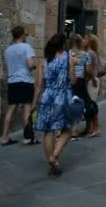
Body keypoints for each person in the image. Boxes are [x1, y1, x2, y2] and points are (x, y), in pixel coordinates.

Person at [34, 33, 77, 176]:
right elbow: (73, 81)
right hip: (62, 97)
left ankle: (53, 166)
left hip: (47, 97)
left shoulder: (44, 61)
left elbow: (39, 85)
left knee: (48, 131)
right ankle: (54, 156)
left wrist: (34, 103)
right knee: (67, 129)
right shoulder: (68, 59)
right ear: (63, 45)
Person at [0, 26, 38, 146]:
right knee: (27, 108)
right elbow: (30, 64)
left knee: (11, 109)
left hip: (12, 82)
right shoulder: (27, 47)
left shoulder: (8, 50)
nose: (26, 36)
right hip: (25, 81)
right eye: (25, 34)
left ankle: (4, 137)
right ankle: (27, 138)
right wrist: (35, 66)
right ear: (21, 35)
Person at [68, 34, 92, 141]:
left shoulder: (67, 54)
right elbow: (88, 70)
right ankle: (74, 131)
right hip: (80, 81)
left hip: (68, 80)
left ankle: (61, 131)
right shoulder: (85, 55)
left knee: (68, 102)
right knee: (78, 104)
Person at [84, 33, 102, 137]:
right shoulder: (90, 53)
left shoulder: (90, 53)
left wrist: (89, 80)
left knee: (91, 105)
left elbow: (89, 71)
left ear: (90, 41)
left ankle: (96, 128)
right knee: (90, 105)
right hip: (92, 80)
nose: (83, 40)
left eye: (85, 38)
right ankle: (91, 128)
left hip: (91, 81)